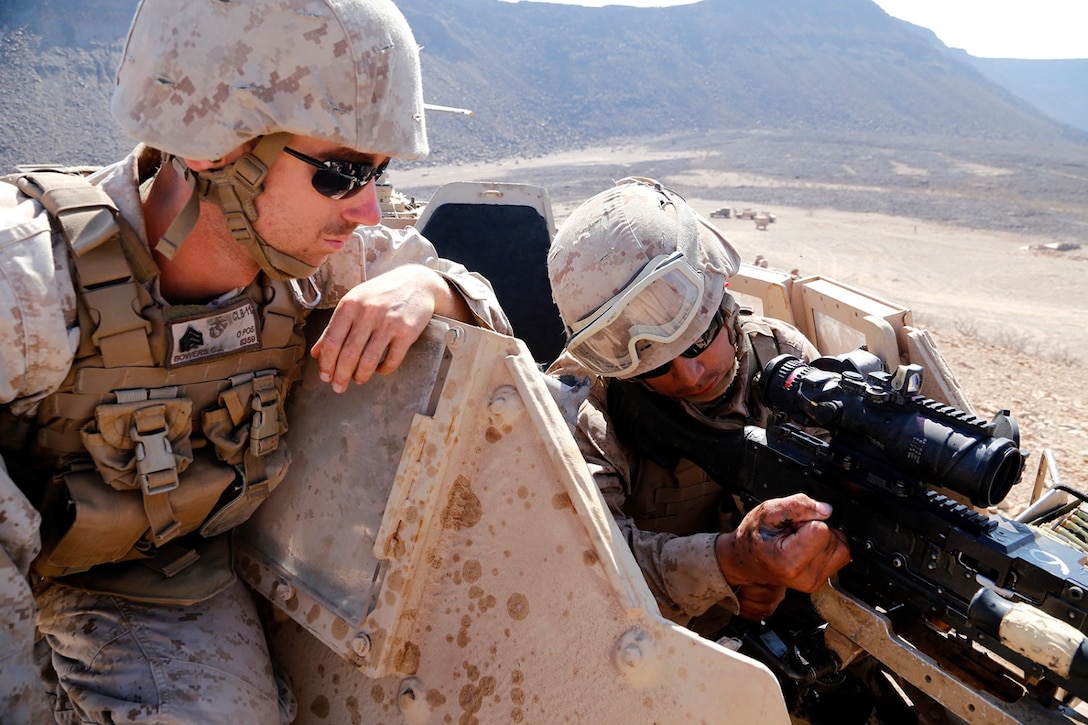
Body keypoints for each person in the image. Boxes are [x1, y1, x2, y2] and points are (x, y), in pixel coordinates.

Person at [0, 1, 511, 722]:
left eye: (378, 173)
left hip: (155, 577)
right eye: (339, 174)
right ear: (215, 148)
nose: (367, 211)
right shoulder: (28, 280)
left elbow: (487, 311)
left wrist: (426, 287)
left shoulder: (311, 264)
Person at [546, 177, 850, 634]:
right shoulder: (587, 407)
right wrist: (733, 563)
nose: (689, 376)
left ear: (724, 291)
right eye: (652, 367)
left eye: (701, 338)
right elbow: (587, 571)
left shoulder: (784, 358)